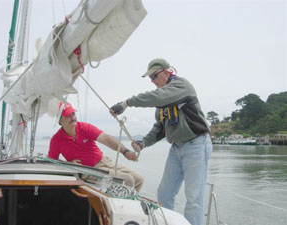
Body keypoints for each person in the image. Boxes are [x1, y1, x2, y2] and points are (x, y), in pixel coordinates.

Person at [110, 58, 212, 225]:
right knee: (164, 193)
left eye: (154, 76)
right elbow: (160, 128)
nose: (153, 81)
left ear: (167, 72)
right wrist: (143, 143)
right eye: (150, 78)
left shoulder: (181, 86)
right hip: (176, 148)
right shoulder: (163, 103)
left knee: (194, 198)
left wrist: (126, 103)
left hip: (196, 145)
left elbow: (157, 97)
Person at [48, 102, 144, 191]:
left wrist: (125, 151)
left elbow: (106, 139)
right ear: (60, 120)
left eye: (73, 114)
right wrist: (69, 164)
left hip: (104, 161)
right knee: (127, 180)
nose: (72, 117)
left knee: (139, 179)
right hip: (88, 170)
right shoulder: (56, 140)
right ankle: (122, 205)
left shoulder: (85, 128)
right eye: (68, 115)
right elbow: (51, 161)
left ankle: (129, 201)